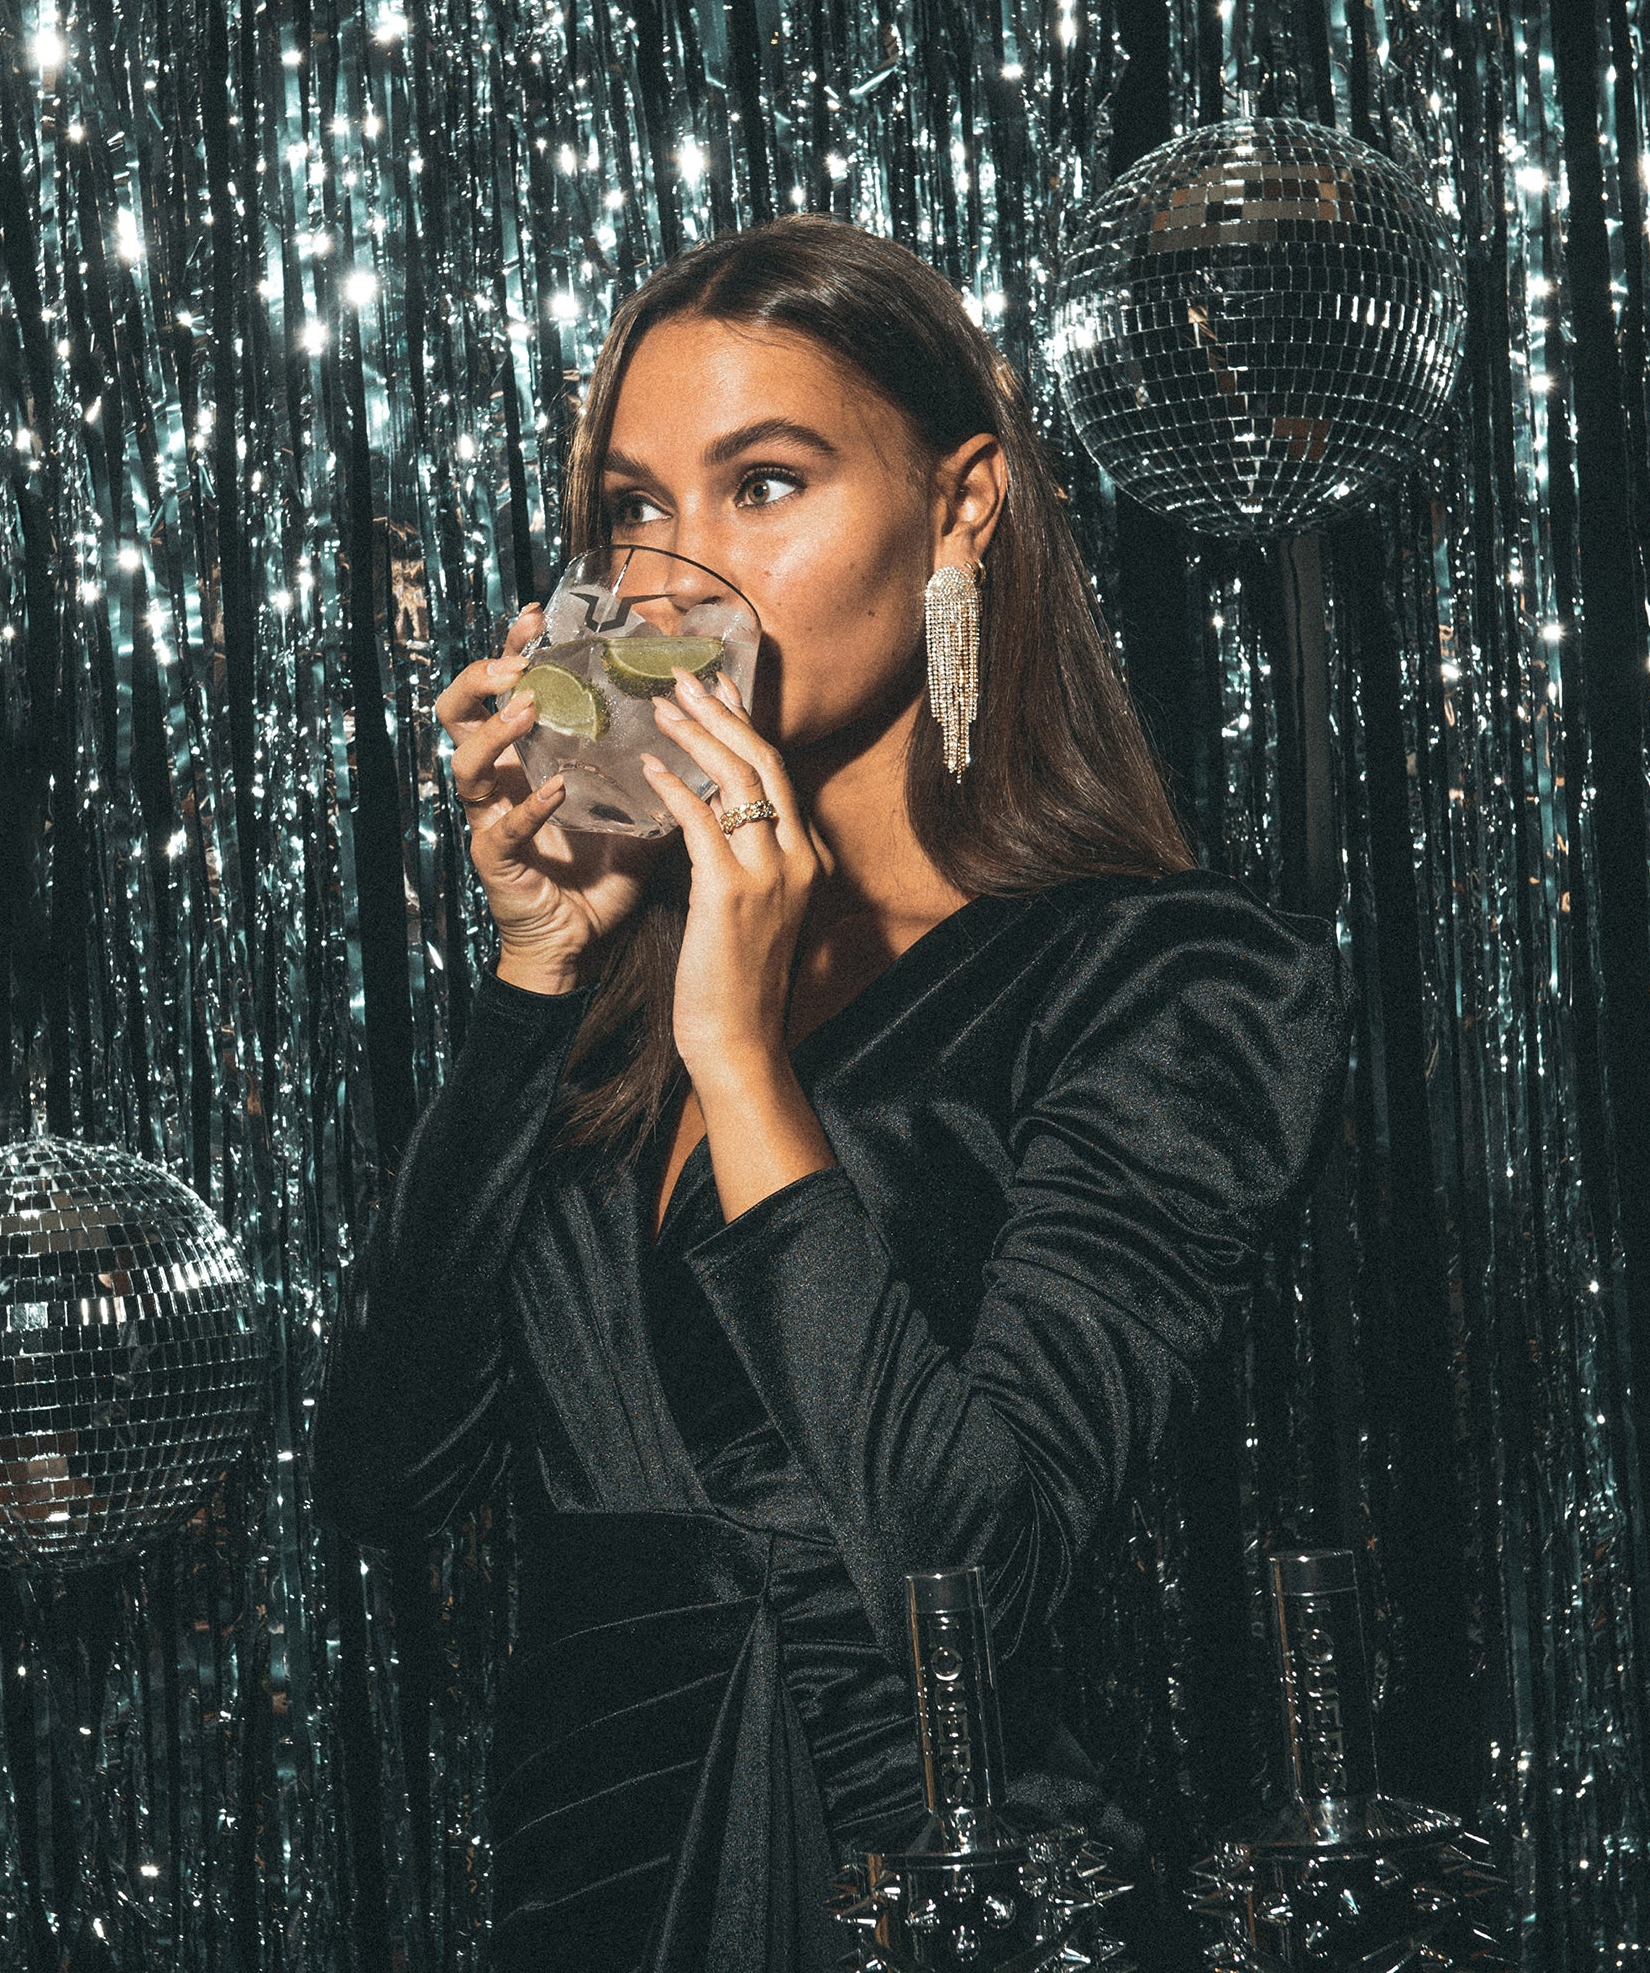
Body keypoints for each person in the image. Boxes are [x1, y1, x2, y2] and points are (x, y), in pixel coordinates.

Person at [315, 212, 1348, 1971]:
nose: (671, 581)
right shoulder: (608, 982)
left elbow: (976, 1581)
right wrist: (539, 970)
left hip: (920, 1908)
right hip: (593, 1890)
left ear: (960, 509)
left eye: (765, 486)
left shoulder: (1166, 979)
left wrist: (743, 1055)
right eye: (636, 510)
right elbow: (386, 1481)